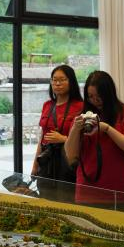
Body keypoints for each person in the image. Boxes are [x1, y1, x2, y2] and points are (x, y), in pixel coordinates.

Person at [64, 71, 124, 212]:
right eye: (90, 96)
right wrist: (75, 129)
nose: (95, 101)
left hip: (118, 192)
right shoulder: (82, 117)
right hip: (87, 191)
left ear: (109, 93)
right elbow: (71, 156)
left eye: (99, 96)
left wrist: (106, 128)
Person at [31, 65, 83, 202]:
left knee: (66, 201)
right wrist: (35, 165)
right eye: (54, 80)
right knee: (45, 200)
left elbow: (85, 140)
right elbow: (42, 138)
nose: (57, 83)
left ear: (71, 81)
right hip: (47, 162)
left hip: (67, 162)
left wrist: (63, 138)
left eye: (62, 80)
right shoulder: (47, 105)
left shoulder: (80, 106)